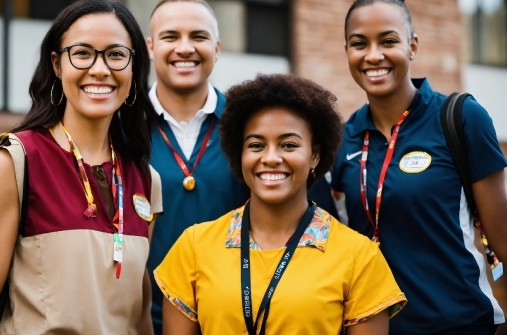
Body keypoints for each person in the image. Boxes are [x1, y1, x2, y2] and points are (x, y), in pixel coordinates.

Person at [0, 0, 159, 334]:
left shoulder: (145, 178)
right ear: (56, 64)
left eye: (116, 54)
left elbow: (138, 319)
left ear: (133, 68)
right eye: (82, 53)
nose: (100, 69)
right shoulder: (13, 163)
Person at [154, 73, 407, 335]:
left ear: (314, 156)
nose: (271, 158)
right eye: (256, 145)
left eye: (288, 145)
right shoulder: (193, 248)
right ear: (239, 154)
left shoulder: (359, 256)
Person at [332, 0, 507, 334]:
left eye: (388, 41)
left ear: (412, 45)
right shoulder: (342, 138)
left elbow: (504, 240)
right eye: (359, 43)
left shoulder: (460, 118)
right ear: (347, 51)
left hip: (460, 324)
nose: (373, 55)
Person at [145, 0, 251, 334]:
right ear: (150, 47)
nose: (185, 48)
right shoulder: (120, 129)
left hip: (236, 319)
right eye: (170, 36)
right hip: (144, 320)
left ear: (217, 49)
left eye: (199, 36)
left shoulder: (250, 125)